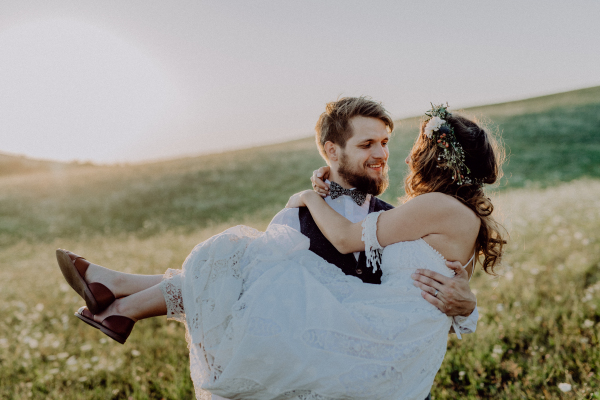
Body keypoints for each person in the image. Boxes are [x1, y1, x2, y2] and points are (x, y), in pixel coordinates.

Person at [56, 101, 505, 400]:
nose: (395, 156)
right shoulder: (433, 215)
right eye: (369, 144)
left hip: (369, 339)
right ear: (332, 150)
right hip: (362, 335)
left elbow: (357, 242)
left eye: (394, 145)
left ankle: (117, 297)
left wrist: (466, 306)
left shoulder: (414, 211)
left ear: (436, 158)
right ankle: (117, 298)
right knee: (247, 265)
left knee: (244, 257)